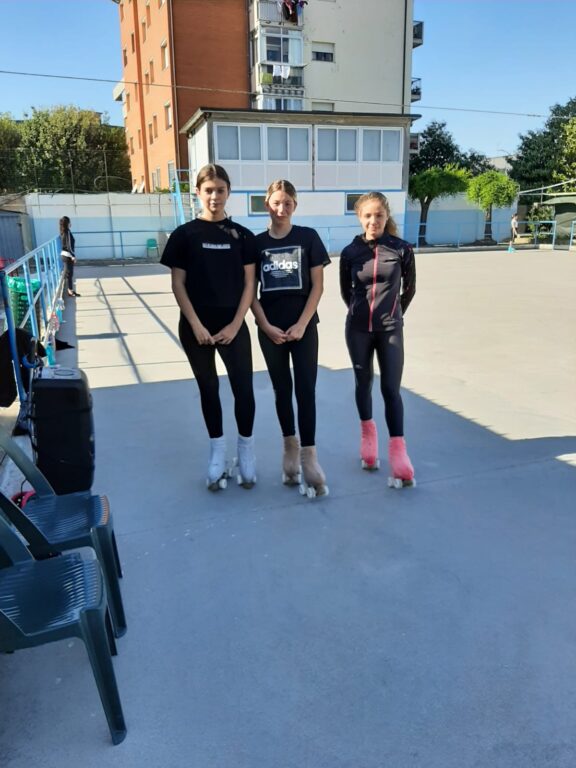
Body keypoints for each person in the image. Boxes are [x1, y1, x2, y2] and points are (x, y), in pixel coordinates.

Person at [160, 164, 257, 491]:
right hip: (195, 327)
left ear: (229, 192)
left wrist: (235, 324)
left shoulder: (242, 236)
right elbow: (178, 284)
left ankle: (246, 450)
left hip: (233, 325)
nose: (215, 196)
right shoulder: (184, 235)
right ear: (198, 193)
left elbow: (250, 284)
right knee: (208, 387)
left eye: (220, 190)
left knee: (243, 388)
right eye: (209, 190)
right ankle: (217, 450)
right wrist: (196, 325)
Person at [251, 180, 330, 498]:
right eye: (276, 202)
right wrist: (265, 325)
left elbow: (318, 286)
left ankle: (309, 455)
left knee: (306, 389)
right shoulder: (256, 244)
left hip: (303, 327)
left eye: (287, 203)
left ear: (295, 205)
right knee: (281, 389)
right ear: (266, 204)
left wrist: (302, 324)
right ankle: (289, 447)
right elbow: (249, 291)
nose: (281, 209)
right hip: (270, 329)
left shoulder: (308, 237)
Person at [339, 192, 416, 487]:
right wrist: (359, 313)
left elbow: (409, 289)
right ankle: (368, 442)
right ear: (360, 218)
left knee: (391, 389)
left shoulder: (402, 249)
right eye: (368, 216)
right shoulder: (350, 252)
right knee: (364, 383)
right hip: (358, 329)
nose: (374, 221)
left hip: (390, 329)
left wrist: (394, 313)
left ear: (386, 216)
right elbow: (347, 292)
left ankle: (398, 454)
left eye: (379, 215)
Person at [59, 216, 80, 297]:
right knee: (69, 274)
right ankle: (70, 291)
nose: (71, 223)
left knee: (69, 274)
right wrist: (73, 256)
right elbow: (69, 246)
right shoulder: (67, 232)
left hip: (65, 255)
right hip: (67, 255)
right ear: (67, 223)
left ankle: (70, 290)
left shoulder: (63, 231)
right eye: (69, 222)